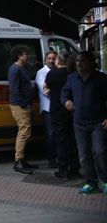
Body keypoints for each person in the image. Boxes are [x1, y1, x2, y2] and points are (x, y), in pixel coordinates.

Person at [61, 51, 107, 195]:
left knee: (99, 152)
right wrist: (66, 101)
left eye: (82, 61)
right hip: (79, 123)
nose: (79, 64)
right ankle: (91, 182)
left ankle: (105, 180)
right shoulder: (72, 78)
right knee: (84, 154)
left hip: (98, 122)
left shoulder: (101, 78)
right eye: (77, 61)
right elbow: (64, 92)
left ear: (91, 62)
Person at [45, 53, 80, 179]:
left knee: (60, 139)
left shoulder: (52, 74)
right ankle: (75, 168)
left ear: (58, 61)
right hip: (71, 109)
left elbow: (46, 88)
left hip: (56, 109)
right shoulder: (73, 74)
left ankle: (63, 168)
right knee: (73, 139)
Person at [8, 44, 38, 174]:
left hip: (24, 104)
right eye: (26, 54)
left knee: (25, 131)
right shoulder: (15, 69)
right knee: (24, 132)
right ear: (20, 55)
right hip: (20, 105)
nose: (28, 56)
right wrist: (24, 104)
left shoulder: (22, 68)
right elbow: (14, 89)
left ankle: (22, 159)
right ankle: (18, 161)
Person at [36, 50, 57, 168]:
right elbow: (45, 91)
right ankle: (51, 160)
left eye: (53, 58)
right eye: (49, 58)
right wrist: (58, 93)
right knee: (50, 134)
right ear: (45, 60)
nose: (51, 61)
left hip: (57, 108)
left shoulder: (57, 71)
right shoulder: (41, 72)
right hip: (47, 108)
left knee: (57, 134)